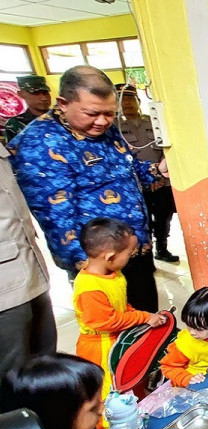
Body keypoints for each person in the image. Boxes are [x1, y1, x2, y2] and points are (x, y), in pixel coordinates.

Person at [8, 65, 161, 313]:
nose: (102, 121)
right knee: (114, 334)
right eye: (93, 113)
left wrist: (157, 170)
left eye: (110, 114)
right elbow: (56, 219)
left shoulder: (106, 131)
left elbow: (127, 169)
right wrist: (92, 271)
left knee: (147, 323)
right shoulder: (39, 144)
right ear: (63, 103)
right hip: (100, 266)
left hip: (134, 250)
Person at [73, 217, 167, 429]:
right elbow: (106, 321)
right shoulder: (89, 287)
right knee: (108, 401)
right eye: (130, 253)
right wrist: (144, 317)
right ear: (110, 257)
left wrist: (142, 320)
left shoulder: (113, 274)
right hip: (99, 348)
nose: (132, 257)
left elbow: (122, 306)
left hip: (118, 341)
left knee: (127, 386)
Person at [0, 143, 57, 377]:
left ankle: (46, 410)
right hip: (5, 286)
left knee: (44, 355)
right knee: (13, 367)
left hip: (28, 264)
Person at [116, 83, 179, 263]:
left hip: (161, 181)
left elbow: (164, 150)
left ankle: (162, 248)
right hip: (137, 187)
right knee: (143, 222)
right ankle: (146, 254)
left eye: (130, 98)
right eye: (124, 99)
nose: (128, 103)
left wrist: (159, 173)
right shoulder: (115, 127)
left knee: (164, 217)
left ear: (137, 100)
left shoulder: (152, 122)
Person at [3, 75, 52, 144]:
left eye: (45, 93)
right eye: (35, 93)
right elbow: (12, 152)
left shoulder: (62, 119)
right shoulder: (15, 124)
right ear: (20, 94)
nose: (44, 98)